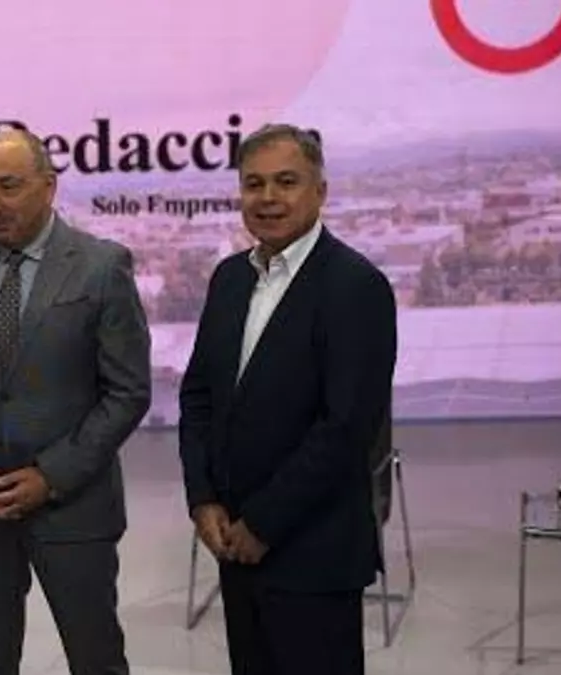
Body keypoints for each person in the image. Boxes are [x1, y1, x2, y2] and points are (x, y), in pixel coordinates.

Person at [0, 129, 152, 675]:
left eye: (9, 186)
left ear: (49, 186)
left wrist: (50, 475)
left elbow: (128, 391)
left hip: (74, 508)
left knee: (96, 660)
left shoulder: (101, 266)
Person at [177, 123, 397, 675]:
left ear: (320, 191)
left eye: (286, 181)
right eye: (254, 184)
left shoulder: (356, 286)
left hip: (313, 556)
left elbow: (345, 428)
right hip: (234, 548)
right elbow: (199, 397)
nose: (268, 197)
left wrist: (264, 524)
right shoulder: (229, 279)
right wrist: (203, 499)